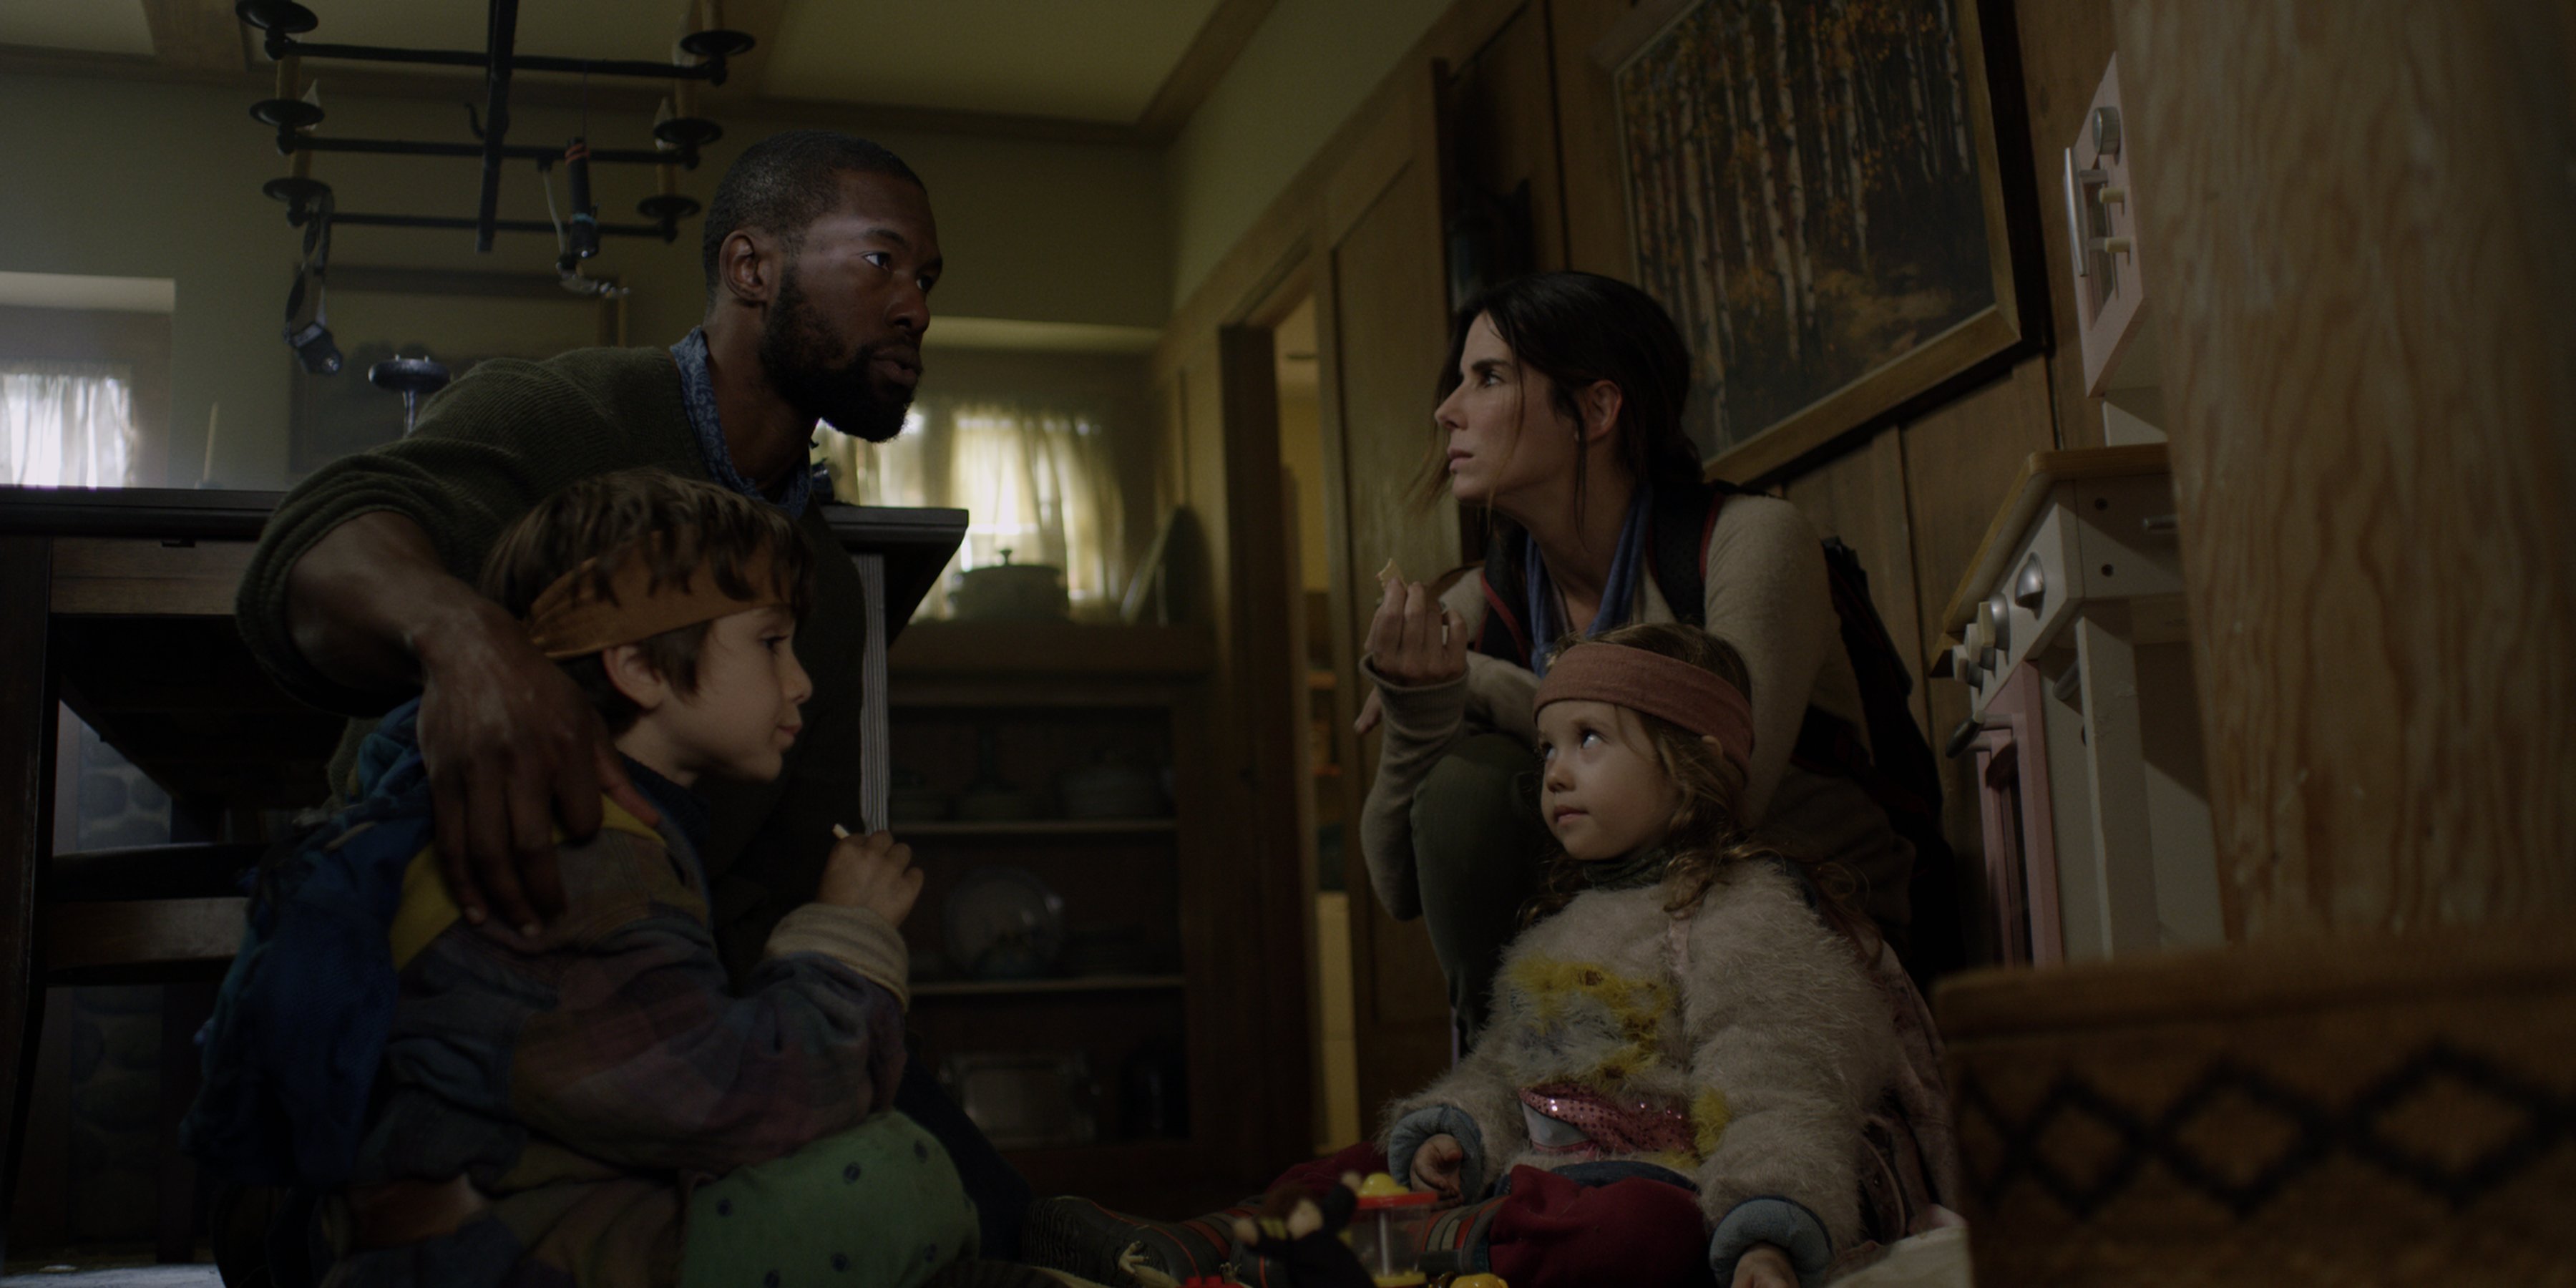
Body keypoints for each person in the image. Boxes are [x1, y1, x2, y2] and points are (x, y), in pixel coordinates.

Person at [230, 130, 1028, 1254]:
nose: (916, 309)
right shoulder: (564, 414)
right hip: (445, 1055)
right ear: (753, 269)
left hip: (670, 1039)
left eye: (928, 280)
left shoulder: (829, 598)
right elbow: (304, 556)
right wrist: (469, 642)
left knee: (981, 1207)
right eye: (883, 264)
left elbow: (776, 905)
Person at [195, 471, 1045, 1288]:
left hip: (501, 1236)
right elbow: (726, 1099)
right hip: (504, 1263)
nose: (802, 681)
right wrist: (845, 936)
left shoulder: (593, 827)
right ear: (639, 666)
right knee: (895, 1176)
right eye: (770, 642)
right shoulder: (581, 851)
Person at [1026, 625, 1908, 1288]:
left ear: (1695, 763)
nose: (1555, 773)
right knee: (1345, 1167)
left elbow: (1789, 1087)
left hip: (1642, 1184)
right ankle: (1212, 1242)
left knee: (1642, 1234)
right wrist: (1454, 1128)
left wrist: (1766, 1224)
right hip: (1522, 1176)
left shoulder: (1742, 912)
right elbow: (1499, 1070)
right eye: (1548, 747)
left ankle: (1373, 1252)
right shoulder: (1563, 919)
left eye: (1589, 741)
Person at [1357, 271, 1918, 1043]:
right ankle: (1510, 1090)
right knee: (1465, 792)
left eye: (1487, 378)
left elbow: (1719, 793)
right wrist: (1418, 714)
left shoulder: (1752, 542)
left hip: (1800, 917)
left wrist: (1481, 684)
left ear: (1596, 409)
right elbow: (1396, 883)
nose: (1446, 411)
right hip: (1614, 931)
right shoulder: (1481, 605)